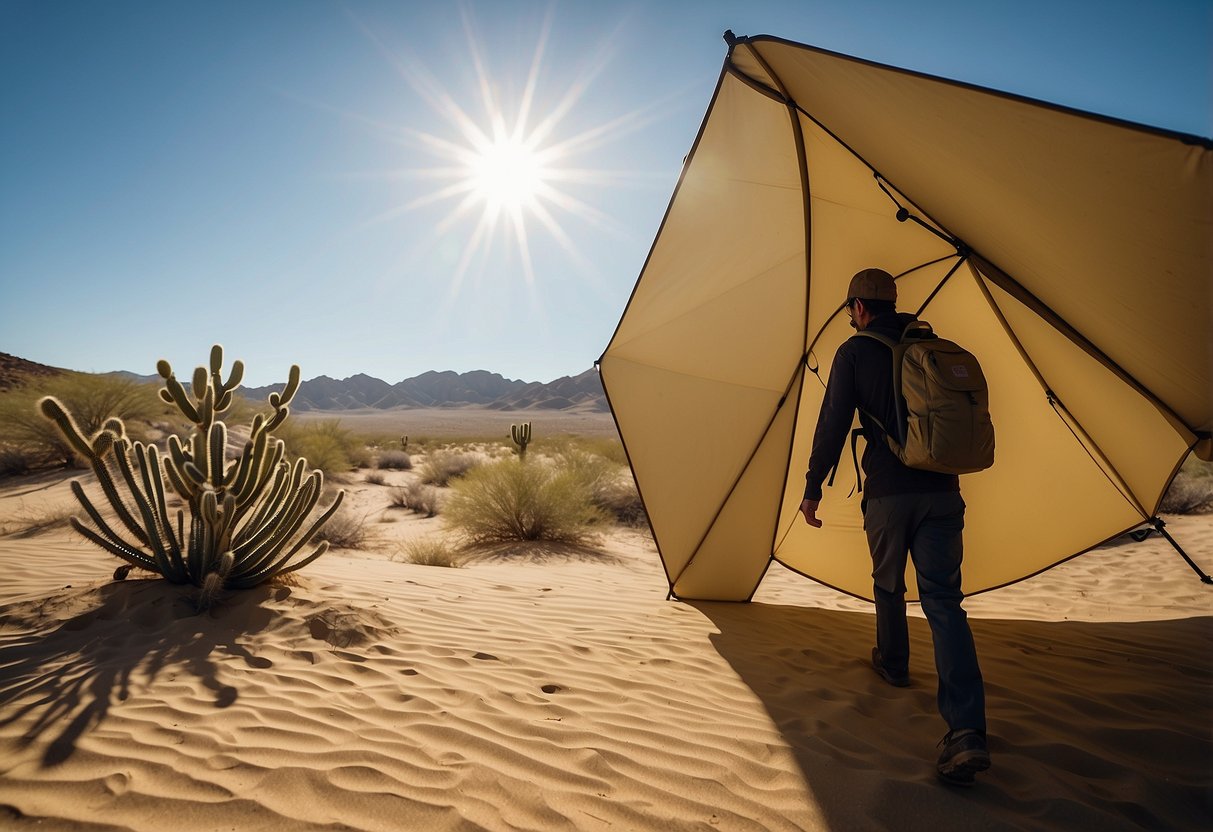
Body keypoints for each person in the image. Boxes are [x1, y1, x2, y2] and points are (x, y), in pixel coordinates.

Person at [798, 267, 991, 786]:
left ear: (859, 308)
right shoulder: (931, 346)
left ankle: (894, 662)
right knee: (945, 602)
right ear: (893, 303)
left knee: (888, 583)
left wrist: (813, 487)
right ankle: (967, 728)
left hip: (888, 493)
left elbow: (833, 422)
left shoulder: (855, 351)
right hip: (943, 491)